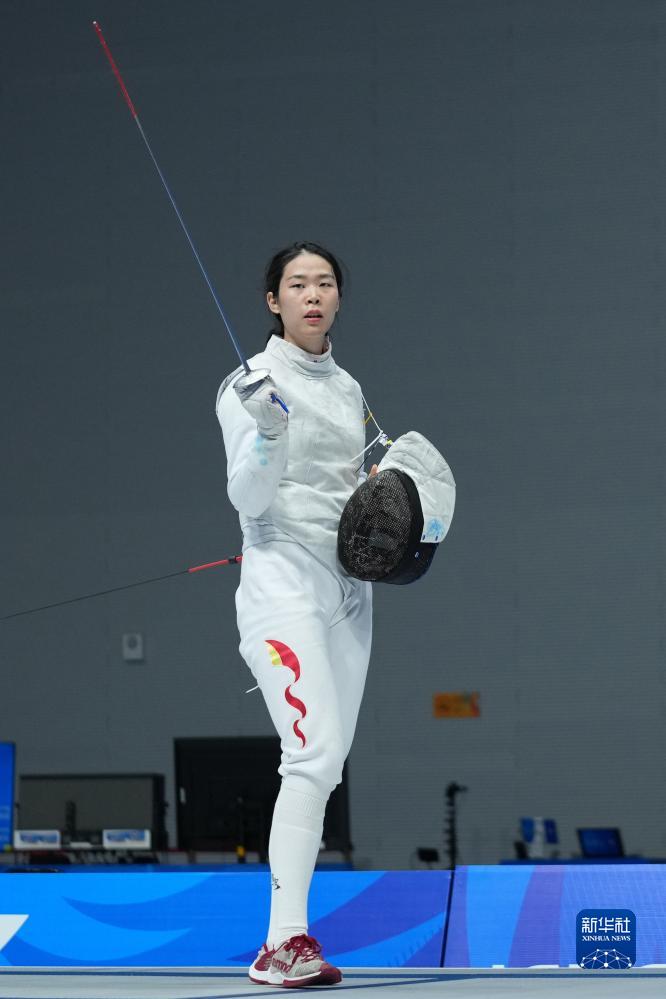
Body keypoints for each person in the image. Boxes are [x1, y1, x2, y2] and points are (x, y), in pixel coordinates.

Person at [216, 242, 376, 988]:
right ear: (273, 300)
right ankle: (281, 944)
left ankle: (290, 939)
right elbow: (247, 498)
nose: (313, 295)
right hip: (283, 579)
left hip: (351, 588)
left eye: (325, 283)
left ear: (338, 297)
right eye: (297, 284)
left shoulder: (347, 387)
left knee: (328, 760)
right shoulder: (248, 384)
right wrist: (270, 434)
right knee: (310, 754)